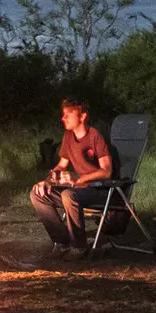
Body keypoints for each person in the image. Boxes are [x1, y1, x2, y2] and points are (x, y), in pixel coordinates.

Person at [29, 97, 113, 255]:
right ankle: (62, 241)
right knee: (37, 194)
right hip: (77, 191)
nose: (63, 118)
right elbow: (61, 165)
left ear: (82, 117)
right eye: (63, 114)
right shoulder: (68, 136)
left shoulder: (95, 136)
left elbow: (106, 171)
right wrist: (47, 182)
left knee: (68, 194)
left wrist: (78, 179)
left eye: (68, 114)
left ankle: (79, 246)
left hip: (98, 191)